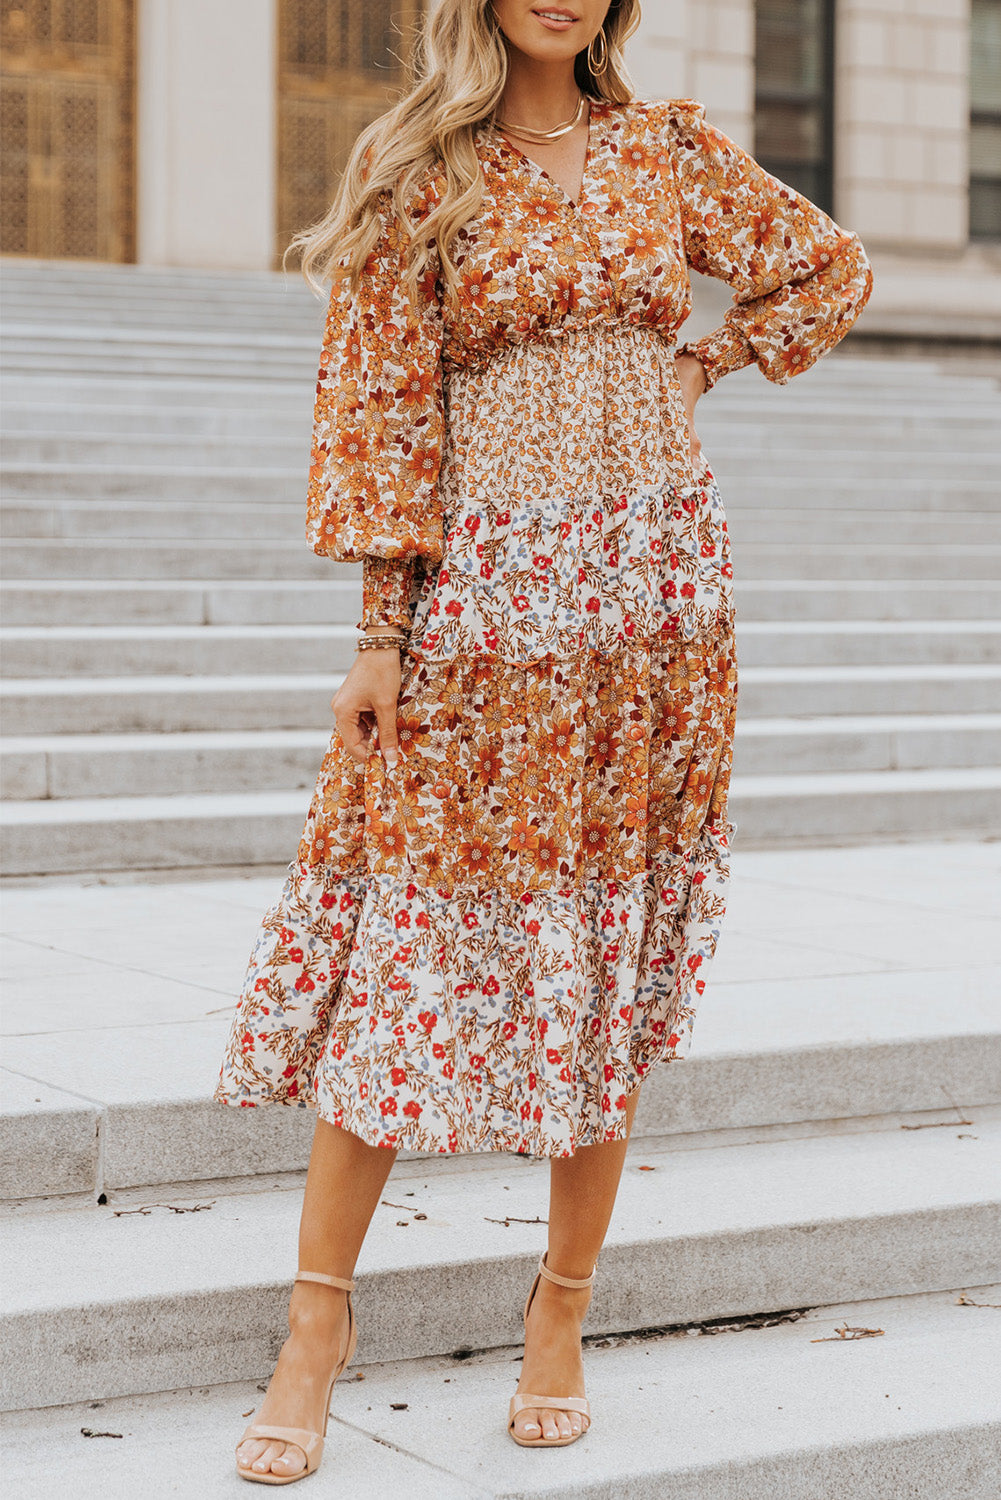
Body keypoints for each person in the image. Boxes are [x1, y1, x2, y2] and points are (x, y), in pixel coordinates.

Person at [216, 0, 873, 1482]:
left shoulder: (667, 150)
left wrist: (700, 368)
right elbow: (378, 403)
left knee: (617, 936)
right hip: (491, 588)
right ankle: (315, 1327)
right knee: (409, 938)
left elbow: (825, 269)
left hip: (656, 590)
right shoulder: (418, 163)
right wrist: (382, 634)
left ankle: (560, 1312)